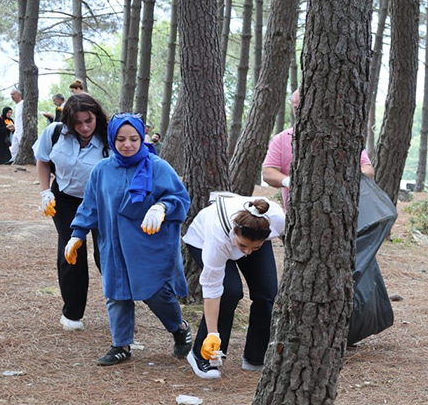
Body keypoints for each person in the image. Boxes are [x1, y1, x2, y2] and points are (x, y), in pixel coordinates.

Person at [66, 114, 193, 366]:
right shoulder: (102, 170)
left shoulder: (158, 167)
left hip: (149, 246)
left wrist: (162, 207)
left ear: (142, 137)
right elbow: (89, 205)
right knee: (117, 293)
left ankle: (178, 328)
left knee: (155, 293)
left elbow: (180, 199)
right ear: (112, 139)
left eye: (134, 139)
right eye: (121, 139)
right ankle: (121, 344)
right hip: (113, 245)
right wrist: (77, 234)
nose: (127, 144)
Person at [182, 194, 286, 379]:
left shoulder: (276, 220)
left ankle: (255, 357)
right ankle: (203, 355)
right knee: (230, 291)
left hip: (251, 234)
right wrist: (213, 333)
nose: (246, 253)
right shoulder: (218, 237)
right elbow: (212, 289)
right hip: (202, 239)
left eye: (253, 249)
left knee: (267, 293)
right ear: (235, 233)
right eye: (242, 246)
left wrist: (251, 247)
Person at [35, 93, 110, 331]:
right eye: (77, 122)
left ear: (96, 116)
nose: (84, 127)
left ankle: (120, 310)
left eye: (89, 120)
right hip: (65, 199)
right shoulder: (56, 132)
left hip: (102, 202)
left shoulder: (109, 137)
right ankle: (72, 313)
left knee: (106, 254)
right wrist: (46, 191)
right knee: (70, 253)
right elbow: (43, 159)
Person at [262, 88, 374, 205]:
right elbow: (268, 172)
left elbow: (368, 170)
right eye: (296, 108)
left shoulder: (343, 136)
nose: (301, 112)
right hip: (297, 215)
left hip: (342, 211)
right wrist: (288, 181)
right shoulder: (282, 139)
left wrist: (344, 182)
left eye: (305, 106)